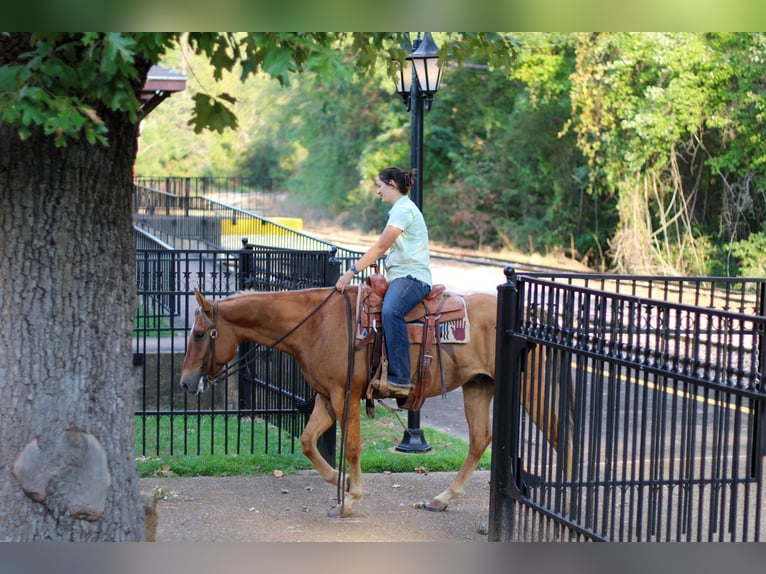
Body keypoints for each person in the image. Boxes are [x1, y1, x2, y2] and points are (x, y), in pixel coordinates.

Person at [335, 166, 432, 398]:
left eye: (379, 186)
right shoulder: (400, 209)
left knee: (391, 311)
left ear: (392, 184)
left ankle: (400, 379)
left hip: (412, 277)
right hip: (400, 275)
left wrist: (351, 272)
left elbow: (381, 246)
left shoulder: (404, 210)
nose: (378, 192)